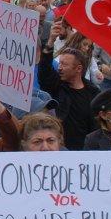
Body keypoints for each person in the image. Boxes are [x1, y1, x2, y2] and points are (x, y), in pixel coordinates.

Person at [39, 22, 100, 150]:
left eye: (64, 65)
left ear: (78, 69)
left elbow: (97, 127)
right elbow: (44, 72)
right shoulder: (58, 86)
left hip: (85, 152)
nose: (59, 68)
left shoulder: (93, 93)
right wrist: (50, 41)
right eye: (59, 63)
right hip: (61, 150)